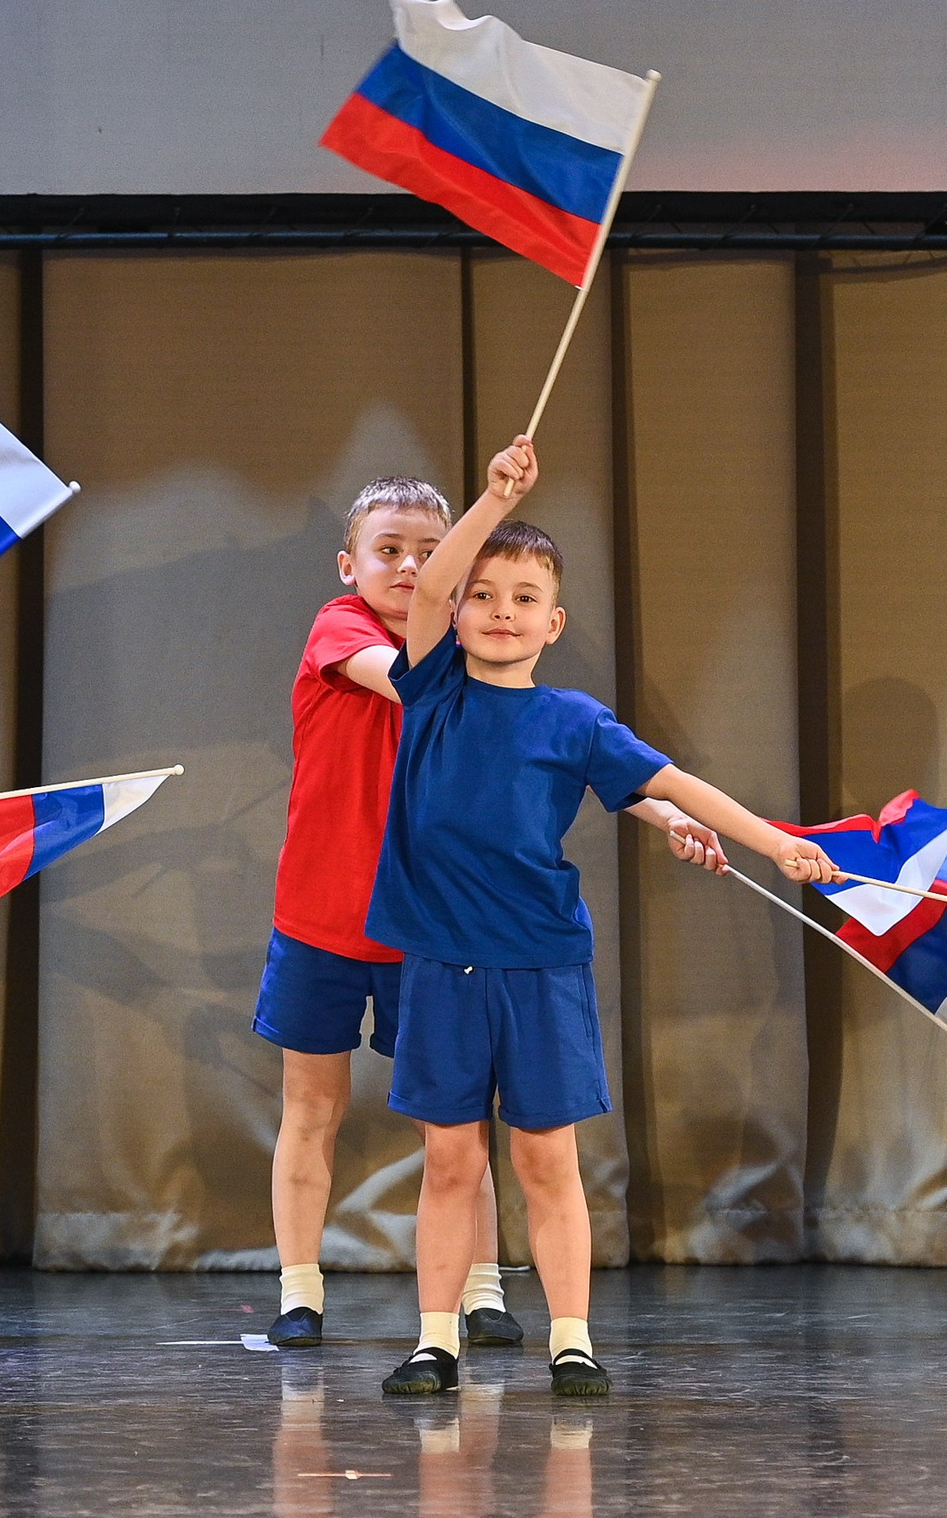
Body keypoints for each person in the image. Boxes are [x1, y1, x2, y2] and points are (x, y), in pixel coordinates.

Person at [370, 436, 835, 1399]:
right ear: (456, 615)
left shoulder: (575, 721)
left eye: (525, 599)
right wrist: (492, 506)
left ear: (554, 621)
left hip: (541, 968)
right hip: (441, 967)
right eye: (484, 595)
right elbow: (426, 591)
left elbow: (677, 784)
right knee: (451, 1162)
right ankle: (434, 1341)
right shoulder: (432, 689)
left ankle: (571, 1337)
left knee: (547, 1160)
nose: (500, 612)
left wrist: (773, 841)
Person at [262, 478, 725, 1353]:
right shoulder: (353, 634)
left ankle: (480, 1289)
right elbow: (417, 687)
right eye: (388, 550)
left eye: (429, 554)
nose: (407, 566)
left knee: (459, 1126)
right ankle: (300, 1288)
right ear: (348, 564)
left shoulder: (471, 660)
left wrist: (671, 815)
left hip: (432, 927)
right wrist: (467, 653)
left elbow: (574, 756)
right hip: (321, 917)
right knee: (311, 1104)